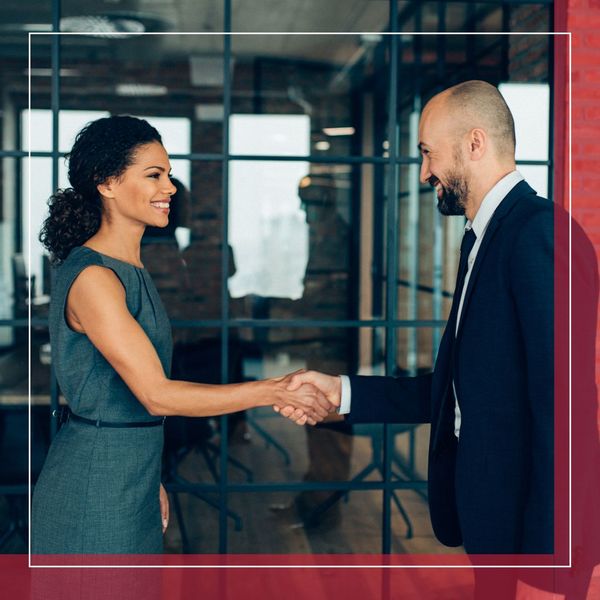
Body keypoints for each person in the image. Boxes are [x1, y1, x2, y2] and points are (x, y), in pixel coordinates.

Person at [32, 115, 333, 555]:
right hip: (93, 483)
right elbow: (156, 394)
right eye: (154, 175)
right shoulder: (94, 277)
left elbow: (131, 404)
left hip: (128, 474)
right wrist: (272, 390)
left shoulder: (130, 269)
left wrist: (147, 473)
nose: (170, 187)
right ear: (107, 183)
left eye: (168, 175)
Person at [282, 80, 555, 555]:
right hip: (488, 513)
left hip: (524, 534)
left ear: (475, 143)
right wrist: (343, 392)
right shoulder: (481, 237)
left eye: (429, 153)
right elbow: (461, 389)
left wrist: (550, 557)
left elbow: (565, 408)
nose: (425, 171)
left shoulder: (536, 234)